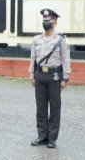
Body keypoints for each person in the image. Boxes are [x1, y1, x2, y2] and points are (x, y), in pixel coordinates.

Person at [29, 9, 71, 148]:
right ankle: (42, 136)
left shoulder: (61, 40)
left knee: (54, 108)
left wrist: (65, 78)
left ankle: (52, 138)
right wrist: (31, 74)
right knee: (40, 108)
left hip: (54, 77)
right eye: (44, 20)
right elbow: (33, 59)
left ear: (55, 22)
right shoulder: (36, 39)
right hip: (40, 76)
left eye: (49, 20)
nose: (46, 22)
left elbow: (65, 60)